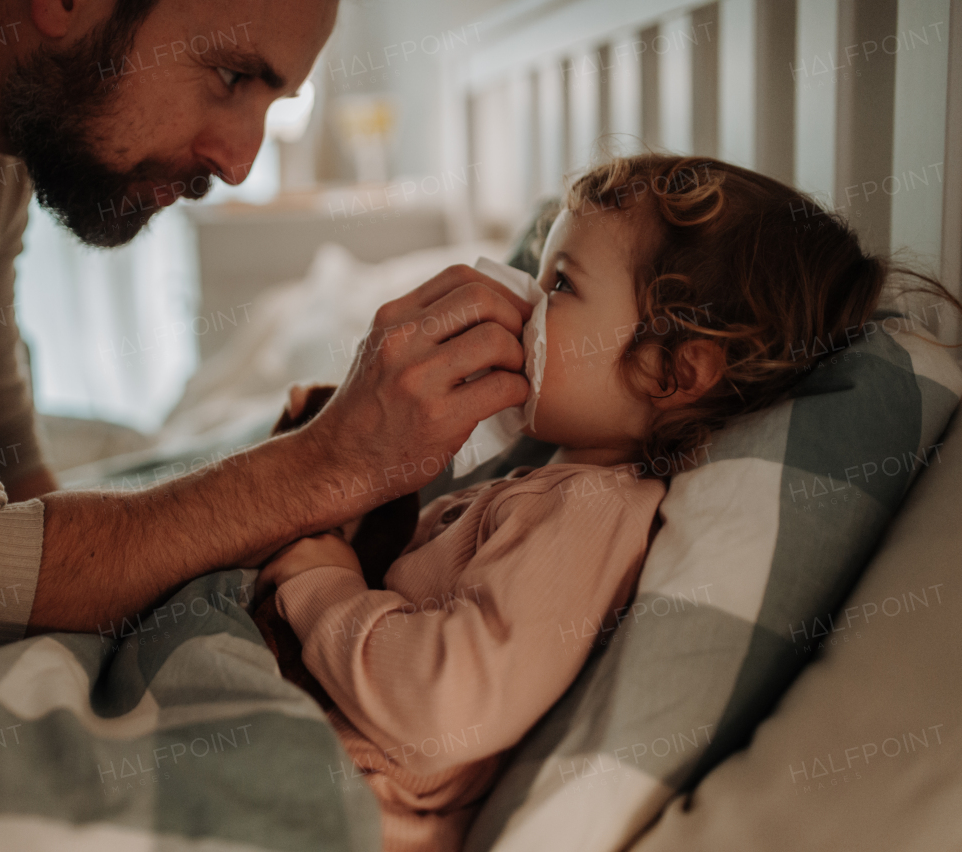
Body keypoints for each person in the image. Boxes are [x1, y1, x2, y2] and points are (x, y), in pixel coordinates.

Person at [0, 0, 533, 717]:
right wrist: (330, 460)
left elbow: (11, 469)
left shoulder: (1, 131)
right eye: (233, 77)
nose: (239, 161)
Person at [253, 154, 962, 852]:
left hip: (346, 797)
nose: (525, 304)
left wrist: (322, 586)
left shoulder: (588, 516)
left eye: (560, 284)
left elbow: (448, 708)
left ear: (671, 368)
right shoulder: (540, 482)